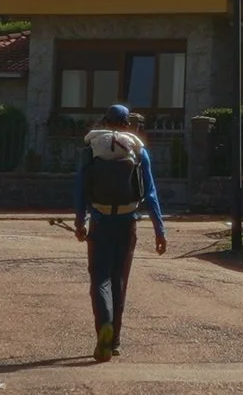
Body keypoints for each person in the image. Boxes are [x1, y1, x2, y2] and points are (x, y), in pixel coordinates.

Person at [74, 103, 166, 361]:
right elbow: (150, 193)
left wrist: (80, 221)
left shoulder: (92, 148)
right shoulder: (137, 149)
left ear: (104, 122)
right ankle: (114, 341)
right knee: (119, 280)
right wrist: (160, 230)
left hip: (100, 222)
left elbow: (81, 187)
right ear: (127, 124)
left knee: (99, 279)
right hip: (127, 223)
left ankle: (103, 326)